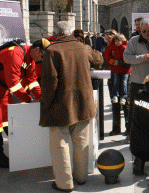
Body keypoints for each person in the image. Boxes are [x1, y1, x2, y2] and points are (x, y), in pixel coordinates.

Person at [39, 21, 104, 192]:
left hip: (60, 106)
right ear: (70, 32)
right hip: (83, 104)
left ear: (56, 34)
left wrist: (45, 104)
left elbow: (49, 83)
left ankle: (64, 183)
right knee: (81, 142)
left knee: (60, 145)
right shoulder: (83, 47)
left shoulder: (52, 51)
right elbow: (99, 60)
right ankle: (81, 177)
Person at [0, 38, 50, 168]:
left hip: (2, 88)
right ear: (36, 49)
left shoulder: (30, 59)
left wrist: (40, 96)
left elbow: (31, 80)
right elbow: (14, 84)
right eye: (42, 56)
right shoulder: (15, 54)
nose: (42, 59)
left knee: (6, 118)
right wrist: (28, 99)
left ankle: (16, 149)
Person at [104, 33, 131, 136]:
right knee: (115, 104)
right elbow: (106, 61)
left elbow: (129, 62)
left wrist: (117, 63)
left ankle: (128, 129)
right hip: (112, 77)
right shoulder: (109, 48)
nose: (107, 41)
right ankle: (116, 128)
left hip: (125, 76)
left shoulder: (123, 47)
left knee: (125, 104)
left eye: (109, 39)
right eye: (106, 39)